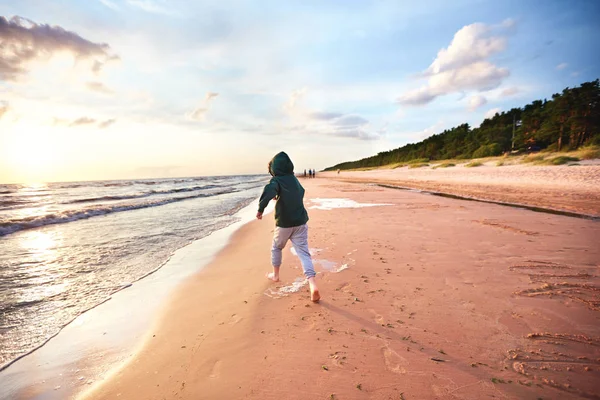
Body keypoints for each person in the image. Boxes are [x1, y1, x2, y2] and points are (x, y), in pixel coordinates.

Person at [256, 152, 320, 302]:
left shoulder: (276, 180)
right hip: (300, 222)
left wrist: (260, 209)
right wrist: (280, 195)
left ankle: (276, 275)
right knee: (304, 253)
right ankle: (312, 284)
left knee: (277, 247)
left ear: (274, 169)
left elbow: (268, 191)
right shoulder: (294, 180)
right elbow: (300, 192)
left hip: (284, 224)